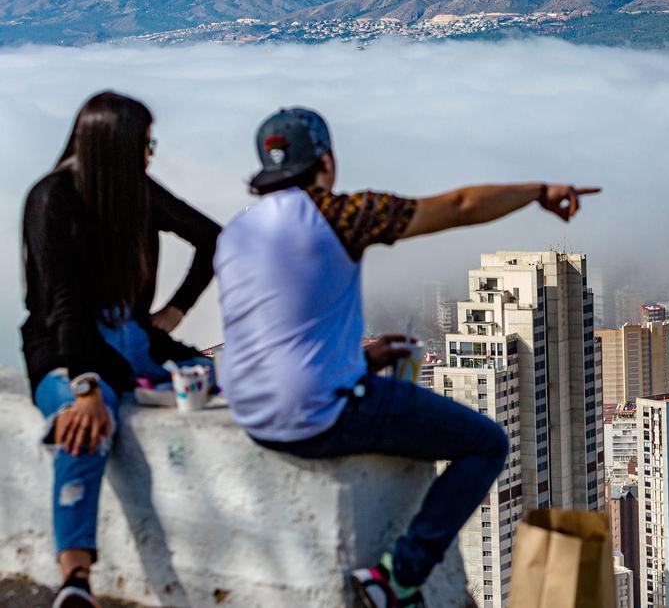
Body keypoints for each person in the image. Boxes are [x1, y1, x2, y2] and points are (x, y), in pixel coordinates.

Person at [215, 108, 599, 608]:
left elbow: (277, 326)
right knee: (485, 443)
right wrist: (538, 191)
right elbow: (460, 205)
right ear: (326, 162)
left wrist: (360, 358)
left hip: (249, 411)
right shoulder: (340, 215)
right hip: (314, 417)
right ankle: (396, 579)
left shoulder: (236, 231)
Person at [20, 91, 221, 608]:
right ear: (114, 144)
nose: (151, 153)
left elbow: (213, 238)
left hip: (134, 334)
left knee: (216, 377)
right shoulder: (53, 199)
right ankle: (76, 577)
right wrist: (85, 385)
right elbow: (62, 305)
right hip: (67, 344)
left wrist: (174, 312)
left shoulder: (133, 191)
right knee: (87, 423)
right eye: (144, 142)